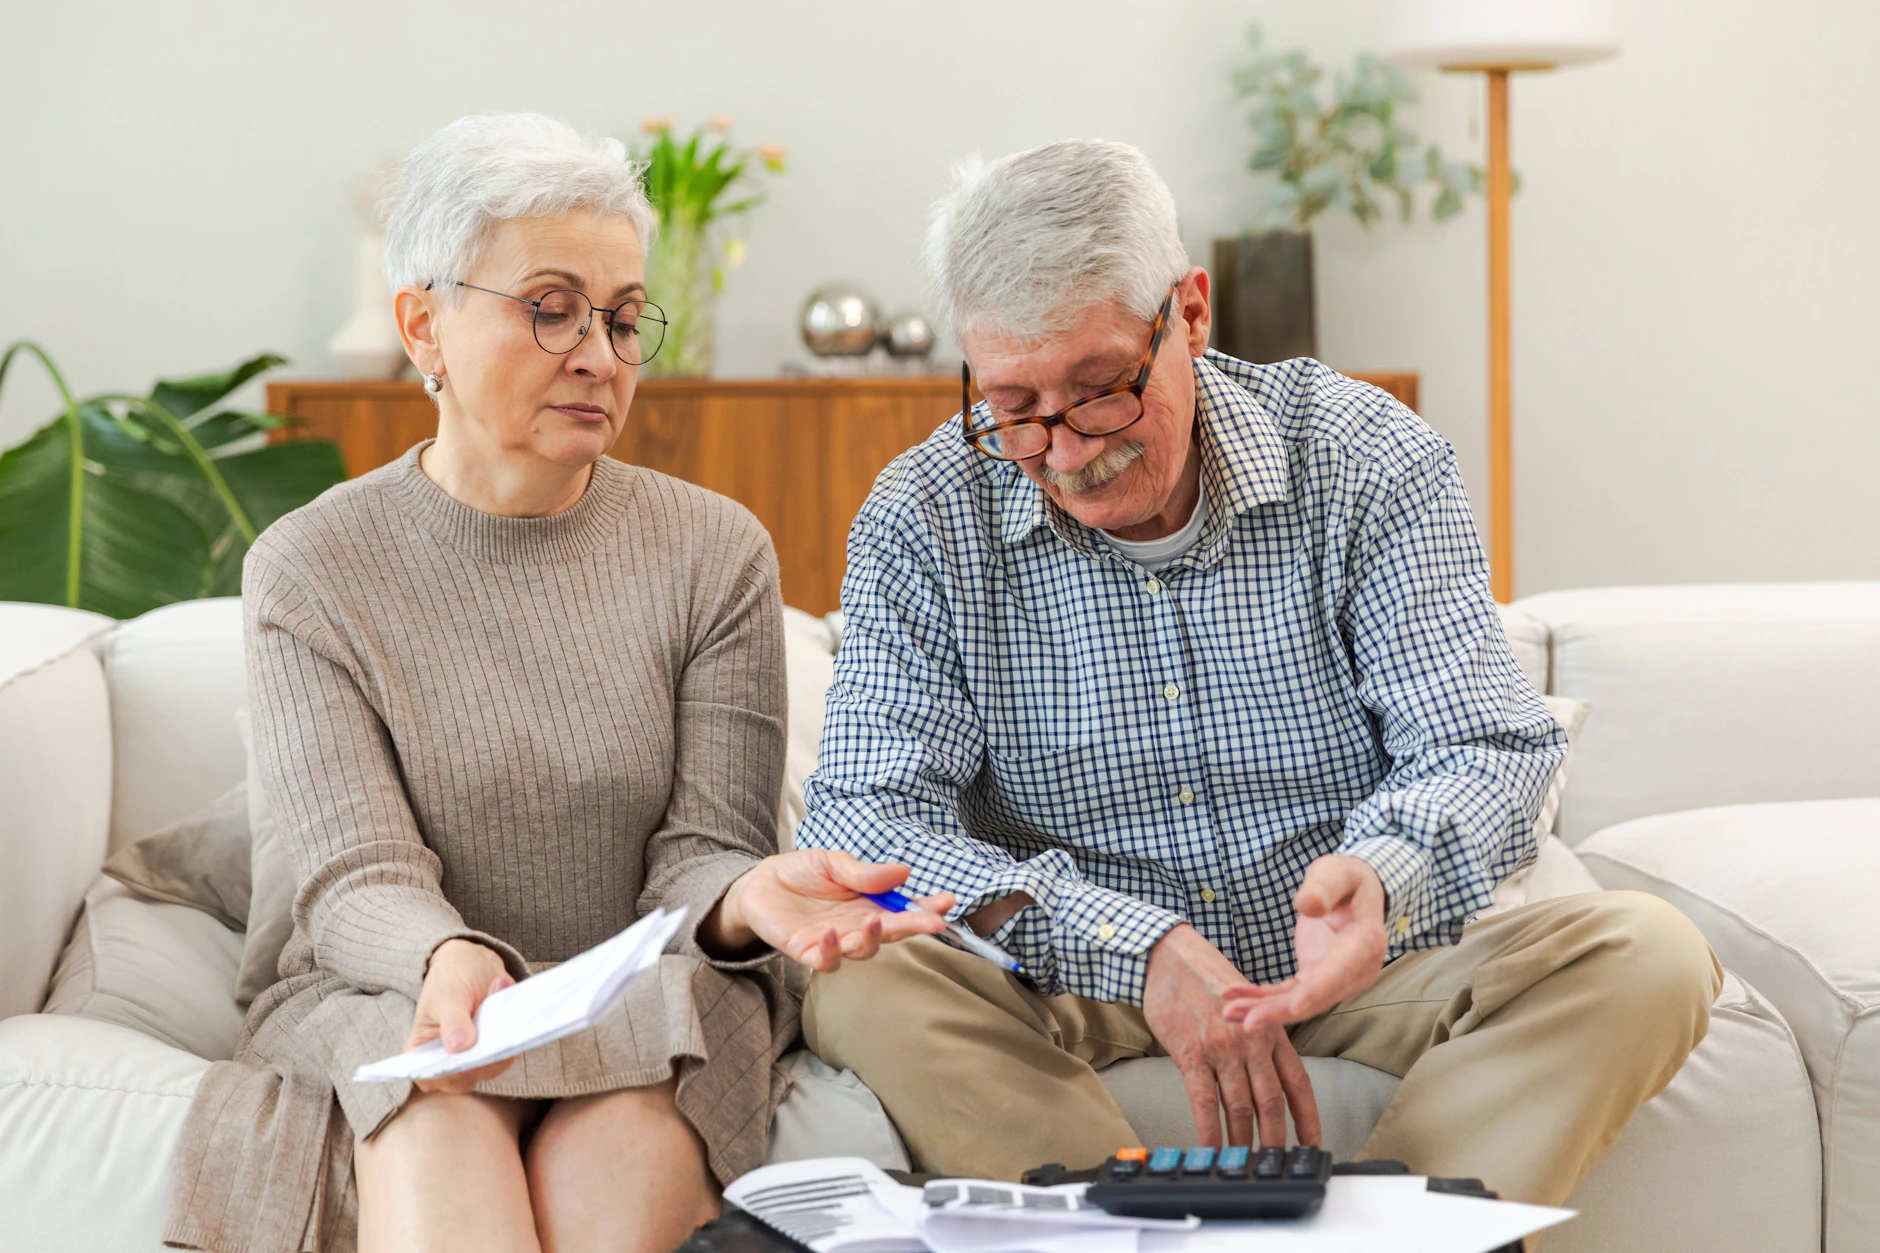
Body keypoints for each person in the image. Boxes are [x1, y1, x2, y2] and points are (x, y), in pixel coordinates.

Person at [795, 139, 1722, 1208]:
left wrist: (1380, 876)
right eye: (1012, 404)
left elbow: (1484, 743)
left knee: (1646, 951)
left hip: (1354, 968)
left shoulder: (1364, 454)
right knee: (861, 974)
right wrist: (1133, 946)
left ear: (1189, 313)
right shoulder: (923, 513)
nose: (1060, 447)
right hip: (1072, 980)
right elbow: (865, 828)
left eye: (1099, 389)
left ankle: (1382, 1237)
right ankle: (1117, 1237)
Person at [163, 114, 954, 1253]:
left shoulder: (712, 550)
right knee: (439, 1137)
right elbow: (348, 873)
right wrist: (446, 956)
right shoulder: (312, 563)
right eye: (550, 308)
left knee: (610, 1174)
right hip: (398, 987)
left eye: (625, 319)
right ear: (423, 323)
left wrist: (746, 899)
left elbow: (700, 853)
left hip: (644, 995)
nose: (599, 354)